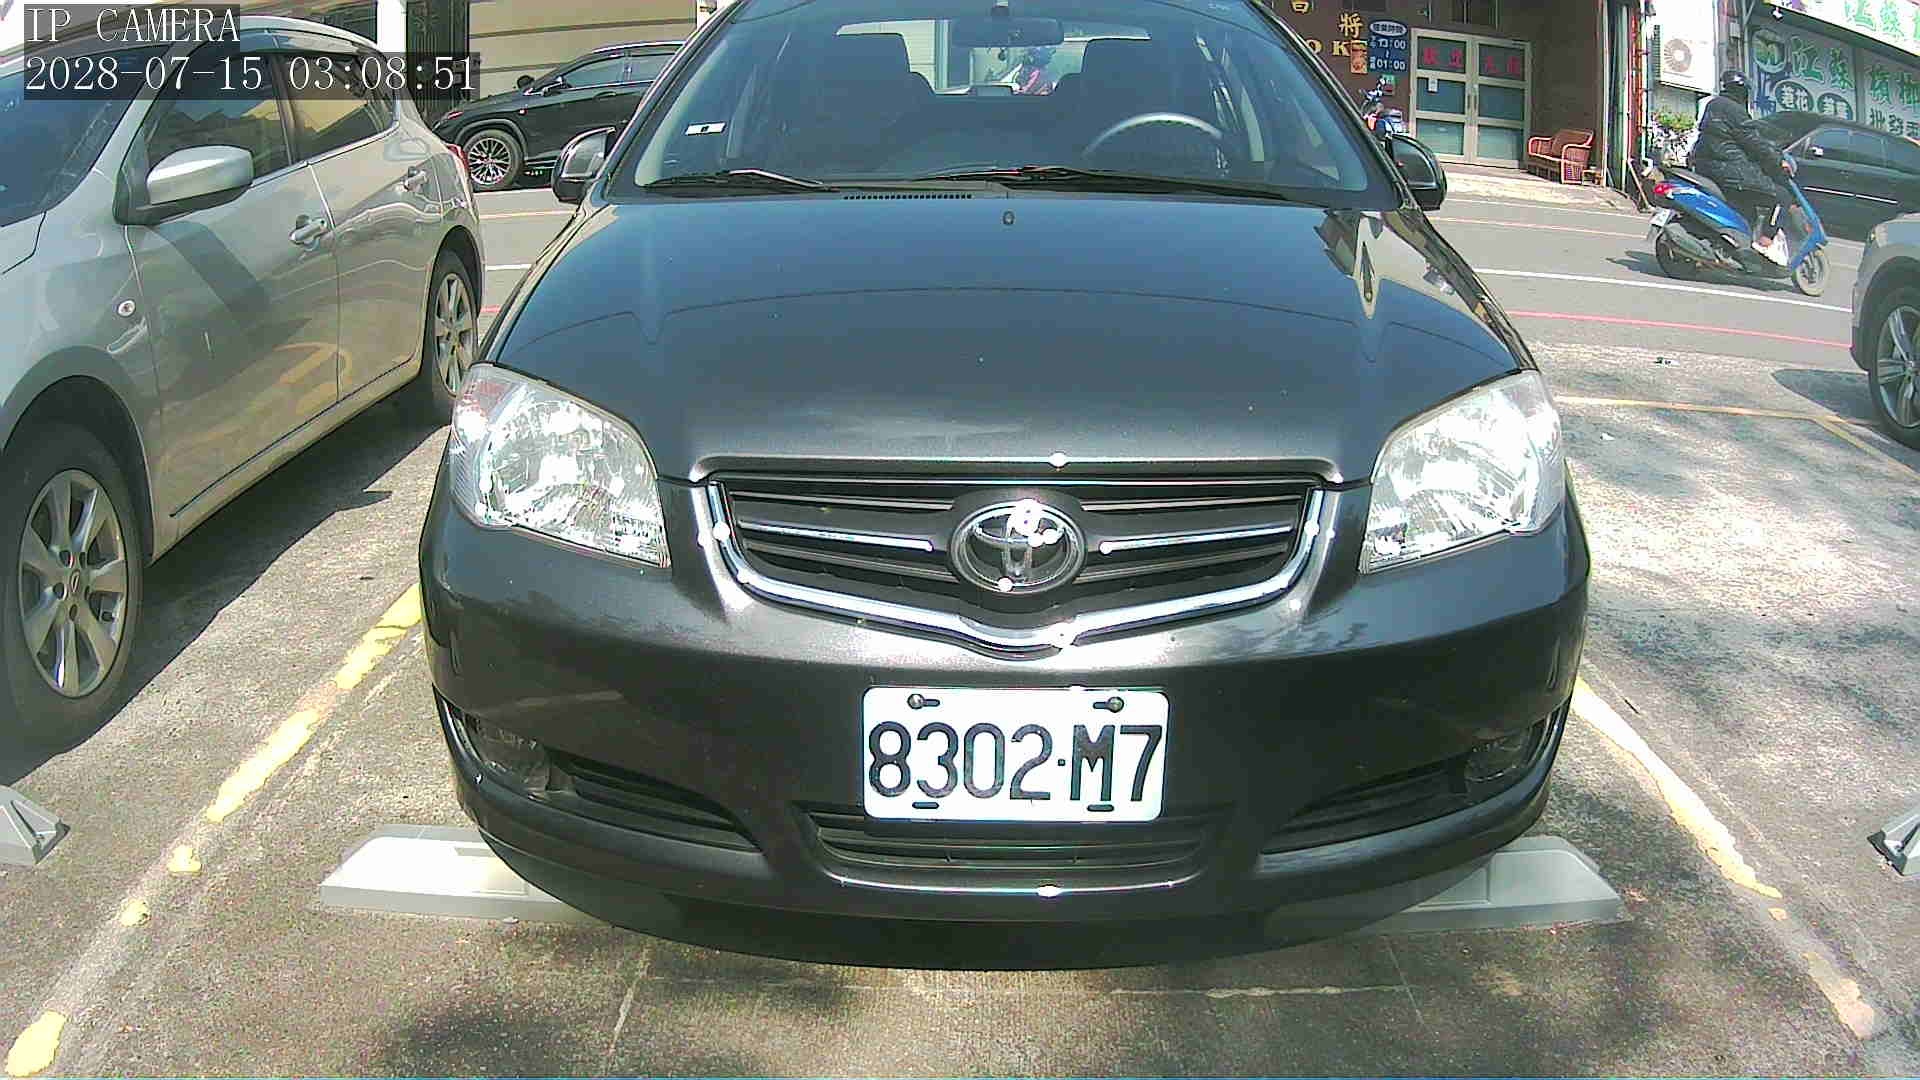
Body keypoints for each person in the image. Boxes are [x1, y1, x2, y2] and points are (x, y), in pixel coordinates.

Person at [1688, 70, 1795, 266]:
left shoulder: (1714, 104)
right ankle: (1765, 243)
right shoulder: (1735, 110)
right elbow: (1752, 140)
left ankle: (1737, 246)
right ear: (1743, 91)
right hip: (1730, 168)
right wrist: (1778, 160)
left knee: (1746, 206)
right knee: (1781, 196)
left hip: (1707, 166)